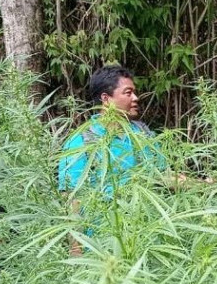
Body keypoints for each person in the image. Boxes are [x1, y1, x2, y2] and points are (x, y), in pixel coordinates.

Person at [58, 65, 169, 254]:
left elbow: (164, 176)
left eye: (134, 92)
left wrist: (203, 185)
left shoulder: (143, 134)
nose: (135, 98)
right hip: (103, 246)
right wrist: (76, 252)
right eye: (128, 92)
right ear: (105, 98)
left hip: (146, 241)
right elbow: (72, 200)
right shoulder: (81, 141)